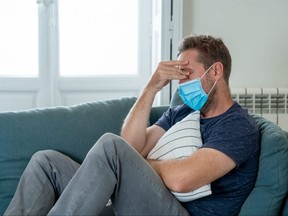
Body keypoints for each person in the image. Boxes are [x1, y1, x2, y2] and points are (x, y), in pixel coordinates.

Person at [4, 34, 260, 216]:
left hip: (178, 211)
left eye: (187, 75)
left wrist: (132, 165)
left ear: (216, 71)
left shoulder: (238, 125)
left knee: (111, 148)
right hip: (141, 201)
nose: (182, 86)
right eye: (178, 77)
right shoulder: (182, 113)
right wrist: (151, 87)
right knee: (46, 162)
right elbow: (132, 146)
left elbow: (183, 180)